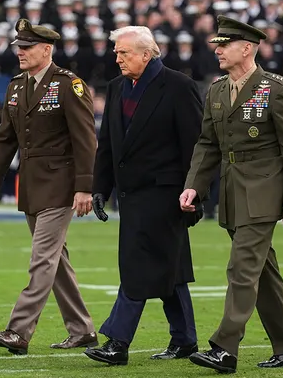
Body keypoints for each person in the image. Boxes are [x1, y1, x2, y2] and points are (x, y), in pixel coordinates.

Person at [179, 16, 283, 374]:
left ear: (247, 48)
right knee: (262, 272)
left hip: (265, 193)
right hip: (233, 192)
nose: (218, 50)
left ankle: (225, 347)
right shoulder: (217, 90)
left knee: (241, 269)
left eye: (225, 45)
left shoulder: (275, 88)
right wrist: (194, 184)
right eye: (217, 45)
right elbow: (208, 144)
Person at [0, 18, 99, 355]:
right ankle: (83, 330)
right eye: (19, 47)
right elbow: (4, 140)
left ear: (47, 50)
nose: (21, 53)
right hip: (30, 185)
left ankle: (18, 330)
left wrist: (85, 187)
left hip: (61, 185)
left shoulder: (68, 84)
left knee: (42, 258)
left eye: (27, 48)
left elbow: (86, 140)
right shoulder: (17, 86)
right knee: (55, 260)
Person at [84, 26, 204, 366]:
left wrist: (198, 193)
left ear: (146, 54)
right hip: (130, 194)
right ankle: (184, 339)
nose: (117, 58)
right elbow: (108, 144)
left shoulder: (179, 86)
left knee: (137, 264)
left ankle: (117, 341)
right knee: (171, 266)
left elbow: (196, 146)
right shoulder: (117, 87)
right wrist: (100, 189)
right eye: (117, 52)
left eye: (124, 52)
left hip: (167, 194)